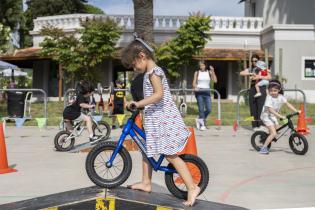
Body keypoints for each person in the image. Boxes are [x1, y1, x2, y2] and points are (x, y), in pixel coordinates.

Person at [121, 38, 200, 206]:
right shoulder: (148, 73)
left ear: (142, 56)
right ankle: (146, 182)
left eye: (134, 65)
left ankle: (192, 187)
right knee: (145, 149)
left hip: (164, 119)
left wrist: (139, 103)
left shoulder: (154, 72)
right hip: (154, 118)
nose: (134, 69)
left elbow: (158, 95)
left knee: (170, 154)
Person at [259, 80, 300, 154]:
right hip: (266, 116)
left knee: (277, 129)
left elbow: (287, 104)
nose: (273, 92)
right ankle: (263, 148)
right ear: (268, 90)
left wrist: (296, 110)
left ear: (279, 90)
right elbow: (270, 109)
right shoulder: (269, 98)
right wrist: (280, 116)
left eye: (275, 90)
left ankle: (268, 136)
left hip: (273, 115)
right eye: (271, 90)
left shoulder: (281, 97)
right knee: (274, 133)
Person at [240, 55, 271, 130]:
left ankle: (261, 125)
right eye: (252, 61)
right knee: (253, 108)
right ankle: (254, 126)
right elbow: (241, 73)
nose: (253, 62)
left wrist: (259, 77)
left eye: (255, 61)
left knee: (260, 107)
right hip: (253, 89)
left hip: (261, 88)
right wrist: (250, 74)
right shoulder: (251, 69)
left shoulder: (263, 68)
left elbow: (269, 77)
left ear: (259, 61)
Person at [192, 61, 217, 131]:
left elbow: (215, 80)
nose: (202, 67)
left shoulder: (209, 72)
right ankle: (202, 125)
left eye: (203, 65)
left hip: (207, 92)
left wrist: (213, 71)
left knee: (209, 109)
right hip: (199, 92)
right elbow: (194, 83)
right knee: (201, 109)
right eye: (200, 66)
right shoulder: (197, 73)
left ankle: (199, 119)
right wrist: (195, 87)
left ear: (205, 65)